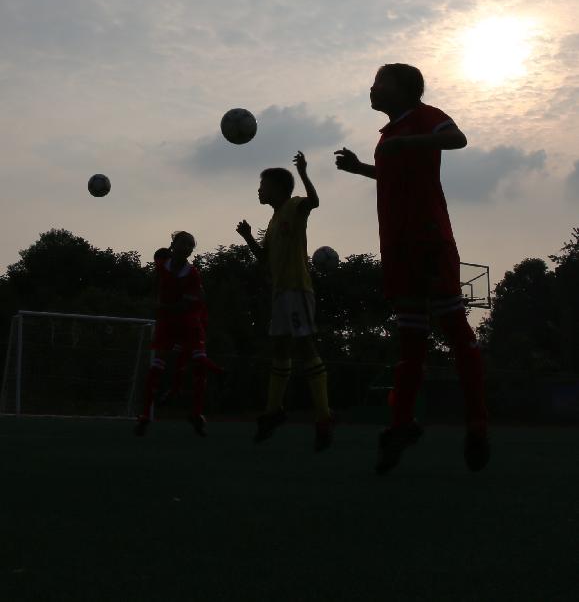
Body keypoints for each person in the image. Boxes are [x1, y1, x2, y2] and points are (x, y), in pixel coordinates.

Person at [335, 63, 490, 473]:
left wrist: (407, 145)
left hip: (429, 241)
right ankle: (402, 425)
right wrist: (360, 169)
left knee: (455, 331)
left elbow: (458, 139)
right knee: (410, 344)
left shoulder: (424, 117)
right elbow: (393, 177)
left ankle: (477, 424)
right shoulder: (387, 136)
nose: (371, 88)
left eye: (379, 82)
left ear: (404, 90)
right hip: (399, 247)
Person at [236, 151, 334, 451]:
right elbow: (264, 260)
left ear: (278, 189)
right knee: (279, 348)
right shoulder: (275, 218)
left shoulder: (293, 206)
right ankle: (274, 411)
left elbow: (313, 202)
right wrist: (249, 238)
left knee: (305, 347)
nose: (259, 189)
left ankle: (323, 417)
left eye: (263, 184)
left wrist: (303, 172)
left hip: (297, 289)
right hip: (280, 294)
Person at [134, 231, 223, 438]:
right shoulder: (161, 264)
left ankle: (196, 412)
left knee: (197, 364)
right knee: (157, 366)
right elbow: (157, 284)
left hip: (188, 323)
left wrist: (160, 306)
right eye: (184, 243)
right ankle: (145, 415)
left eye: (191, 246)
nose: (187, 248)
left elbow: (184, 304)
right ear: (173, 244)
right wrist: (157, 302)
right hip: (167, 324)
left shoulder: (192, 274)